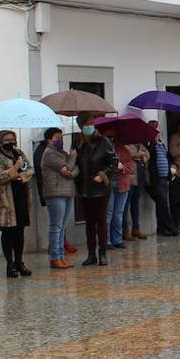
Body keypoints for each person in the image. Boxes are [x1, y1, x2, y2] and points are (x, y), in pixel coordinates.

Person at [75, 113, 118, 266]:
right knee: (89, 222)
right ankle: (91, 253)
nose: (89, 127)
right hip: (84, 188)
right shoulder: (78, 142)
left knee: (101, 221)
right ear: (81, 126)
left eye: (91, 124)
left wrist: (103, 175)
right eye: (86, 124)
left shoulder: (103, 141)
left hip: (100, 188)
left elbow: (113, 161)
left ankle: (103, 253)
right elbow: (75, 163)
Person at [0, 130, 33, 278]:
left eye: (12, 139)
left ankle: (19, 262)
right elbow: (0, 176)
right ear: (0, 142)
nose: (10, 142)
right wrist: (15, 168)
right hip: (6, 200)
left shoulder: (19, 153)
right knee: (8, 233)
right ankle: (10, 264)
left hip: (20, 195)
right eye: (7, 140)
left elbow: (29, 168)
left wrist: (23, 174)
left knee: (20, 231)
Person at [38, 127, 76, 269]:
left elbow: (73, 170)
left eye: (61, 137)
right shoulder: (49, 153)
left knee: (63, 225)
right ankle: (55, 256)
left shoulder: (63, 153)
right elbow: (67, 169)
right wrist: (72, 158)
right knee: (56, 225)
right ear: (49, 140)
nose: (61, 140)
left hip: (68, 191)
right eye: (57, 138)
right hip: (55, 192)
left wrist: (71, 167)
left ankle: (61, 255)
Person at [144, 127, 179, 237]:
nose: (158, 135)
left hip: (164, 179)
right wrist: (152, 142)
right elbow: (148, 156)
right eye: (156, 133)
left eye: (159, 133)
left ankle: (161, 228)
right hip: (155, 180)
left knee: (161, 204)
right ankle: (171, 227)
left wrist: (171, 169)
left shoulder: (162, 146)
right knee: (162, 202)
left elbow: (167, 158)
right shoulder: (150, 145)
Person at [104, 131, 135, 249]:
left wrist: (122, 167)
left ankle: (117, 239)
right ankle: (106, 241)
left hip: (123, 183)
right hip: (109, 183)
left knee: (118, 213)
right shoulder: (103, 149)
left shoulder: (124, 149)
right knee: (109, 213)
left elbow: (130, 166)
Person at [127, 141, 150, 240]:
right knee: (125, 205)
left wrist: (141, 156)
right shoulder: (126, 144)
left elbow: (147, 154)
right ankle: (125, 229)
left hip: (139, 176)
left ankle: (136, 228)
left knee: (135, 203)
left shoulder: (140, 144)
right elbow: (127, 155)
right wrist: (138, 155)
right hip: (130, 177)